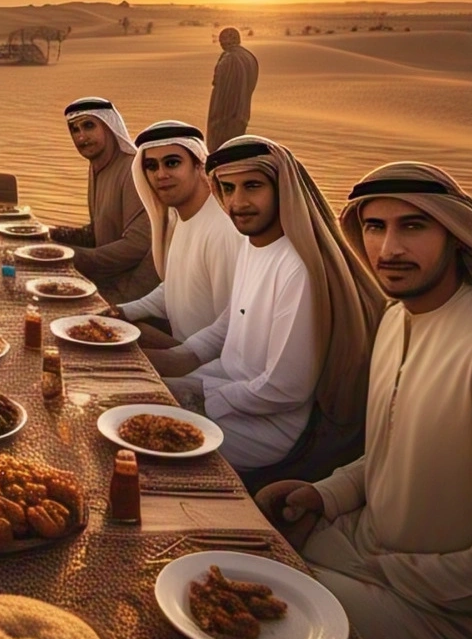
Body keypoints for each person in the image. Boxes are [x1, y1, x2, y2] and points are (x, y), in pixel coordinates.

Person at [257, 162, 472, 639]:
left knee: (261, 614)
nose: (388, 250)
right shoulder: (396, 318)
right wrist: (326, 495)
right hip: (371, 550)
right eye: (374, 227)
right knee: (234, 553)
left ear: (455, 236)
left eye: (413, 226)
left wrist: (384, 574)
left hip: (464, 619)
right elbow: (395, 447)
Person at [149, 135, 384, 472]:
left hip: (268, 428)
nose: (238, 202)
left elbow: (284, 389)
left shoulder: (297, 268)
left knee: (141, 437)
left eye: (253, 186)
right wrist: (177, 358)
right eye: (228, 189)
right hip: (226, 388)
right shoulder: (252, 243)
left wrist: (201, 396)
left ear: (281, 189)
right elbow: (228, 324)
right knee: (132, 394)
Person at [108, 120, 243, 348]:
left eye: (172, 163)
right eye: (151, 166)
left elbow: (233, 326)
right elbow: (176, 288)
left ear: (199, 166)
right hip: (182, 348)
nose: (160, 174)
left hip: (206, 366)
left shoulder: (223, 230)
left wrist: (180, 363)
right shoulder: (181, 217)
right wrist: (121, 312)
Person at [49, 97, 157, 303]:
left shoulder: (133, 170)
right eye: (75, 129)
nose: (81, 137)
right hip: (103, 276)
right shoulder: (98, 166)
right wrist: (48, 235)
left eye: (88, 126)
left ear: (109, 127)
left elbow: (137, 246)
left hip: (130, 291)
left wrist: (67, 256)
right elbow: (100, 231)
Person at [206, 27, 259, 152]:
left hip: (225, 118)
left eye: (222, 41)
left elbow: (219, 85)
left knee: (222, 153)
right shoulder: (249, 56)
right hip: (242, 114)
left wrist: (217, 119)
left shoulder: (229, 59)